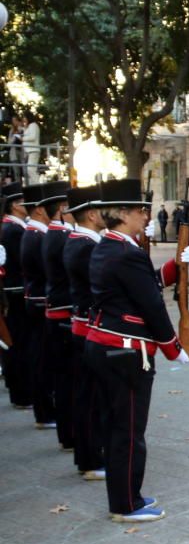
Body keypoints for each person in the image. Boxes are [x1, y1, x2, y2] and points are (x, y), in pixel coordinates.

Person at [85, 178, 189, 522]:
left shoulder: (110, 246)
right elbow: (151, 305)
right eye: (139, 210)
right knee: (128, 431)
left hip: (105, 346)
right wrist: (174, 347)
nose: (145, 216)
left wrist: (177, 266)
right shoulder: (127, 252)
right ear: (122, 213)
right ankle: (126, 504)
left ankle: (125, 495)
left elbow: (144, 284)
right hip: (127, 352)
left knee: (117, 426)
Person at [62, 185, 106, 481]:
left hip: (82, 324)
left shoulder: (79, 240)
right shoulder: (87, 246)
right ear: (91, 214)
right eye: (102, 209)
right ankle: (90, 459)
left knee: (87, 394)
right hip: (89, 327)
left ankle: (88, 455)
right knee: (90, 396)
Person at [40, 180, 76, 452]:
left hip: (56, 308)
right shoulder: (62, 237)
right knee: (69, 380)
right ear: (63, 208)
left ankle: (68, 433)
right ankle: (71, 434)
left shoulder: (53, 234)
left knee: (65, 378)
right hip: (64, 312)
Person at [21, 183, 58, 429]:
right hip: (40, 301)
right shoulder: (37, 235)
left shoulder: (33, 233)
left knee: (39, 356)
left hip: (35, 299)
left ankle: (43, 410)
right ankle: (44, 411)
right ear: (38, 210)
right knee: (42, 359)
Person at [1, 182, 31, 410]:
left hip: (15, 291)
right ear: (13, 205)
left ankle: (19, 389)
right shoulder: (13, 230)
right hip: (16, 292)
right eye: (22, 201)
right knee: (18, 342)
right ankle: (21, 391)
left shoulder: (14, 227)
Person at [22, 112, 40, 183]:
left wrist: (22, 138)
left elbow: (33, 137)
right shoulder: (29, 126)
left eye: (25, 117)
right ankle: (34, 187)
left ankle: (38, 185)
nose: (24, 119)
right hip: (29, 151)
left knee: (30, 169)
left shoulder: (33, 125)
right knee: (30, 170)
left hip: (33, 150)